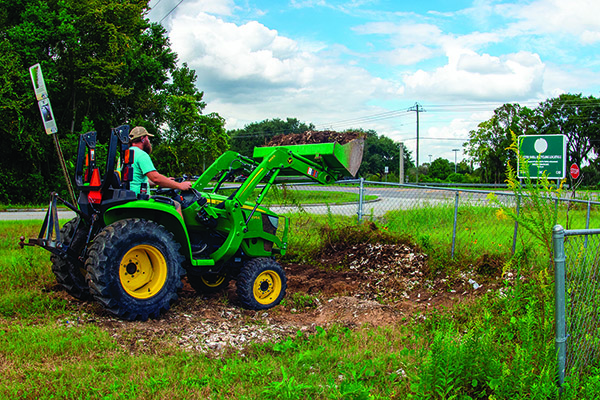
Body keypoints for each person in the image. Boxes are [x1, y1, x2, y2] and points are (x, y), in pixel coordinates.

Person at [128, 126, 191, 213]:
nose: (149, 141)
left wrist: (166, 181)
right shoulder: (141, 155)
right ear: (143, 139)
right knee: (176, 205)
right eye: (148, 138)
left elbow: (136, 179)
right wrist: (180, 185)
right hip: (139, 198)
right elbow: (156, 178)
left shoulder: (126, 154)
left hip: (130, 196)